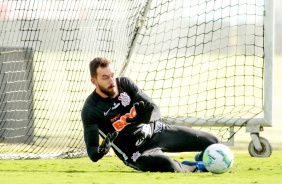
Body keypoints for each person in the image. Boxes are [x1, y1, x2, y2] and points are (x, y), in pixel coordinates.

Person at [81, 57, 219, 172]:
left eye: (112, 75)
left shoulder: (125, 84)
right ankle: (197, 167)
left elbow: (156, 110)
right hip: (137, 152)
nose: (112, 81)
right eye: (105, 78)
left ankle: (203, 157)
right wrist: (101, 151)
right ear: (94, 81)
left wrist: (146, 118)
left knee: (213, 142)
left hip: (157, 131)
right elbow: (93, 153)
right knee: (167, 165)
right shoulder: (90, 109)